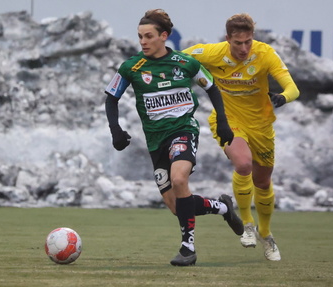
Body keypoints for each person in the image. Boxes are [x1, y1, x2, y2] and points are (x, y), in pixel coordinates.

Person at [104, 9, 244, 266]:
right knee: (177, 207)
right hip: (155, 141)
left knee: (180, 179)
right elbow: (111, 98)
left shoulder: (185, 63)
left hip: (183, 130)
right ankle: (223, 207)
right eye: (140, 37)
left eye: (148, 36)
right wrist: (116, 130)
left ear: (164, 36)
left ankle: (187, 249)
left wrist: (223, 121)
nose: (143, 41)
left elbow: (211, 87)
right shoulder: (131, 67)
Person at [183, 13, 299, 260]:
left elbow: (292, 87)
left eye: (248, 41)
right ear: (228, 39)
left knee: (263, 182)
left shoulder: (265, 53)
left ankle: (266, 234)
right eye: (238, 43)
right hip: (228, 121)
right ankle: (247, 225)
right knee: (243, 164)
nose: (244, 48)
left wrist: (282, 97)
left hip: (261, 126)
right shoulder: (212, 53)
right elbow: (177, 59)